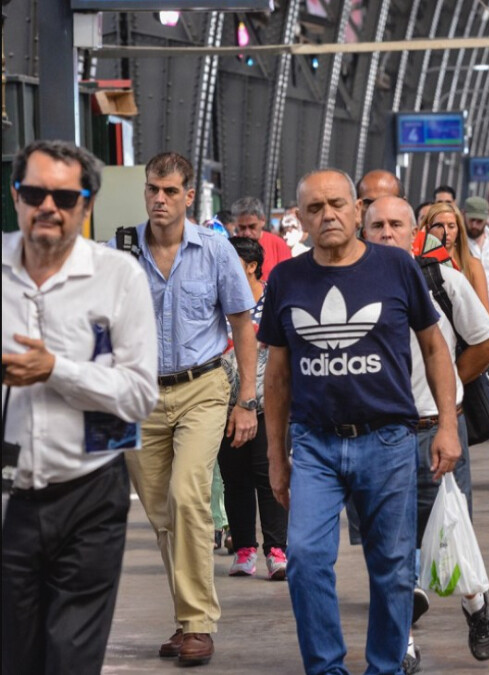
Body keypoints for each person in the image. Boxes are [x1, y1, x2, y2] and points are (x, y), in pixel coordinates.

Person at [260, 168, 460, 675]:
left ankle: (385, 668)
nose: (327, 215)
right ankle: (326, 667)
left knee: (392, 567)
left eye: (336, 204)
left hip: (388, 439)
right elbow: (277, 378)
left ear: (356, 210)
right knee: (305, 558)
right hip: (314, 444)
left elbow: (434, 347)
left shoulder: (396, 267)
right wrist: (276, 457)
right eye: (315, 208)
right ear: (300, 220)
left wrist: (448, 425)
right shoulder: (286, 279)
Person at [1, 140, 158, 675]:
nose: (48, 206)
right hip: (10, 498)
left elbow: (140, 393)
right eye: (35, 194)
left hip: (89, 493)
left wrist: (56, 370)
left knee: (71, 657)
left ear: (86, 204)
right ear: (16, 196)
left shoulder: (118, 276)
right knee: (14, 656)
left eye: (65, 197)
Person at [121, 151, 259, 667]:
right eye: (153, 190)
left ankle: (199, 623)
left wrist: (246, 401)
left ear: (188, 196)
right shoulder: (122, 250)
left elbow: (243, 326)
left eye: (170, 191)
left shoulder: (216, 250)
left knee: (188, 496)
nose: (160, 199)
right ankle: (186, 619)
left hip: (203, 387)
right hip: (140, 396)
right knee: (162, 515)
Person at [362, 196, 489, 666]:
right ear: (364, 232)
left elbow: (486, 343)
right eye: (377, 225)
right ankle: (402, 644)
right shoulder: (350, 284)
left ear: (414, 232)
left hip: (434, 429)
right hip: (378, 436)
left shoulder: (442, 279)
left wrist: (448, 395)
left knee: (452, 532)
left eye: (395, 225)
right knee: (390, 545)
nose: (386, 233)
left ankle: (476, 606)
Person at [219, 236, 289, 580]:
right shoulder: (217, 300)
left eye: (231, 261)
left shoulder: (274, 301)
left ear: (251, 266)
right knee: (235, 480)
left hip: (267, 404)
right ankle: (244, 549)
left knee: (269, 475)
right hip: (224, 406)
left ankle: (277, 550)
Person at [420, 202, 489, 316]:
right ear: (428, 228)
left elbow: (486, 315)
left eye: (451, 226)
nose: (446, 232)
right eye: (439, 226)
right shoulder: (417, 264)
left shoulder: (473, 265)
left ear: (458, 230)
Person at [231, 196, 293, 281]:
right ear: (235, 224)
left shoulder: (278, 244)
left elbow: (288, 278)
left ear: (263, 220)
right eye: (242, 228)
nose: (247, 233)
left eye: (252, 227)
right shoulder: (230, 248)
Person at [464, 195, 489, 313]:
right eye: (471, 220)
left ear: (486, 219)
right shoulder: (459, 240)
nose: (474, 225)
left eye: (479, 221)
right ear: (464, 216)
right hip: (466, 308)